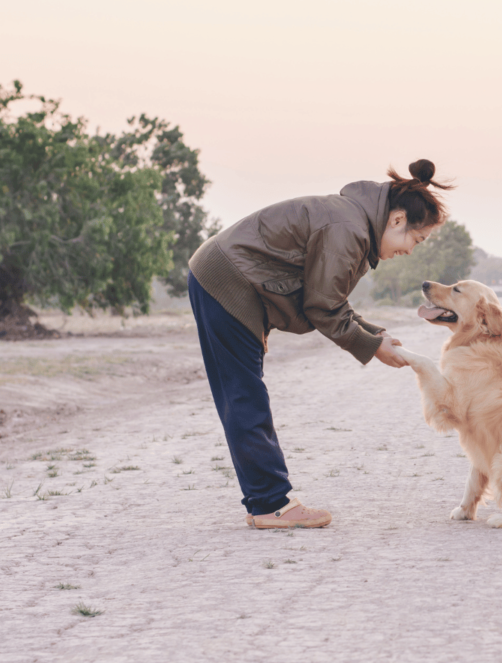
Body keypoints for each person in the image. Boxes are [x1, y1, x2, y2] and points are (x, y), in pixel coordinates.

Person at [186, 159, 451, 529]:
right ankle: (271, 504)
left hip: (222, 276)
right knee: (244, 394)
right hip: (228, 281)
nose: (411, 250)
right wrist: (373, 347)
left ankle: (264, 502)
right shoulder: (349, 229)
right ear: (396, 219)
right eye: (415, 239)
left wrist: (374, 335)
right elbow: (322, 307)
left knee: (241, 393)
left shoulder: (352, 222)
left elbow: (326, 298)